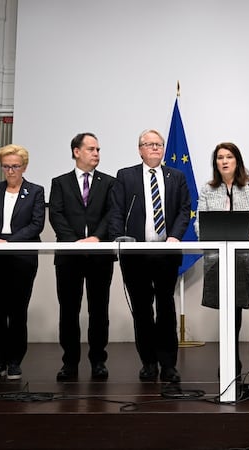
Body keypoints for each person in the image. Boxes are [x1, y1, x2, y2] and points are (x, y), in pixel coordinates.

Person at [109, 129, 191, 383]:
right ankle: (148, 363)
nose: (155, 148)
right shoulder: (126, 176)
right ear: (140, 149)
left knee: (166, 308)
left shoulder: (176, 176)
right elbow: (116, 210)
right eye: (149, 144)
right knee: (142, 309)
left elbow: (184, 209)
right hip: (136, 254)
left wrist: (175, 236)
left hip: (166, 253)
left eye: (158, 144)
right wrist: (119, 236)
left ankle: (168, 364)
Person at [49, 132, 116, 381]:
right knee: (69, 310)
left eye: (98, 149)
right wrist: (74, 242)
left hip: (100, 256)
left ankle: (98, 361)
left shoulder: (109, 182)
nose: (96, 153)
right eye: (91, 149)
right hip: (69, 256)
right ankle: (69, 363)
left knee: (99, 311)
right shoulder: (60, 182)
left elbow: (112, 214)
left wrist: (96, 238)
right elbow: (56, 215)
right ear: (76, 152)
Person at [195, 142, 249, 374]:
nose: (224, 161)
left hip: (242, 256)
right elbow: (199, 222)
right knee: (223, 308)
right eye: (220, 157)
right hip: (216, 257)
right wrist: (206, 234)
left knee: (235, 308)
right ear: (215, 162)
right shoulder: (208, 188)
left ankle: (233, 358)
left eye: (229, 157)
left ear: (237, 160)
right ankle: (227, 357)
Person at [0, 144, 45, 380]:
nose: (10, 171)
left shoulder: (35, 191)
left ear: (24, 167)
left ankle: (15, 361)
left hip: (21, 258)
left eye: (15, 166)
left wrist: (9, 242)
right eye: (6, 166)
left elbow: (36, 225)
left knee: (17, 311)